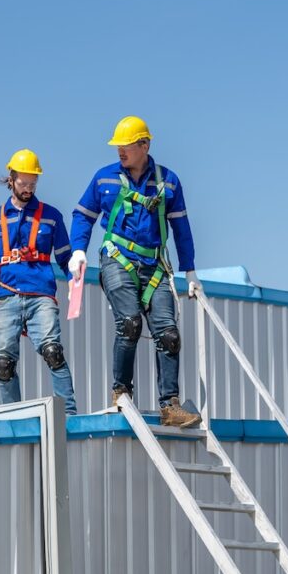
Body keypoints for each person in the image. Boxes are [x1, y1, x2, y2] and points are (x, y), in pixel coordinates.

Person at [68, 116, 202, 427]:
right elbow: (82, 215)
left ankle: (170, 406)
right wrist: (78, 249)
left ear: (145, 145)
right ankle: (122, 395)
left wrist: (191, 272)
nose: (120, 151)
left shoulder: (169, 182)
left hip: (154, 266)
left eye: (126, 145)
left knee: (168, 334)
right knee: (129, 323)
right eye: (117, 146)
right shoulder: (104, 179)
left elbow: (181, 228)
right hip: (117, 259)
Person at [0, 149, 78, 414]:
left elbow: (65, 258)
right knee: (3, 363)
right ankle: (14, 417)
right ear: (11, 179)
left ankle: (69, 415)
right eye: (23, 183)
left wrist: (76, 286)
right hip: (5, 297)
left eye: (33, 183)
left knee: (53, 352)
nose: (28, 189)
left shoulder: (51, 216)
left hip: (41, 294)